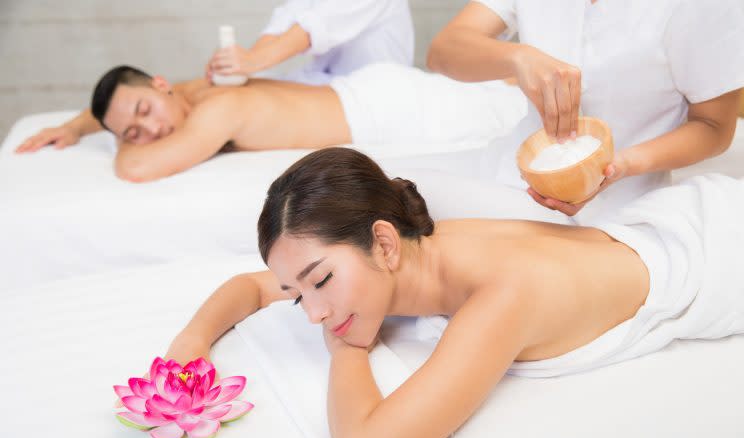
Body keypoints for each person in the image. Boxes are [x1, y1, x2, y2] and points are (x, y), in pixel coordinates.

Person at [162, 147, 743, 438]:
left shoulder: (503, 295)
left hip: (723, 254)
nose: (312, 313)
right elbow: (247, 285)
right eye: (297, 295)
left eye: (319, 284)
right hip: (665, 224)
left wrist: (348, 351)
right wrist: (190, 342)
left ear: (383, 244)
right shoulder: (411, 247)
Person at [427, 0, 744, 221]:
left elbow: (714, 127)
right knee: (390, 195)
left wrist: (622, 165)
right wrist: (516, 57)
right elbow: (443, 51)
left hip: (618, 208)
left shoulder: (703, 6)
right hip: (508, 173)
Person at [14, 63, 525, 182]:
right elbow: (134, 112)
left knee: (517, 108)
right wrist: (82, 125)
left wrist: (118, 140)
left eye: (144, 113)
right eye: (132, 133)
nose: (147, 135)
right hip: (369, 91)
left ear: (160, 83)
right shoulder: (190, 94)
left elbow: (136, 170)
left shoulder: (216, 110)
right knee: (502, 94)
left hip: (385, 110)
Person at [206, 0, 413, 85]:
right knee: (209, 92)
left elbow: (311, 30)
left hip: (376, 92)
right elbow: (279, 28)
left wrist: (252, 61)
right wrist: (236, 67)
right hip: (328, 84)